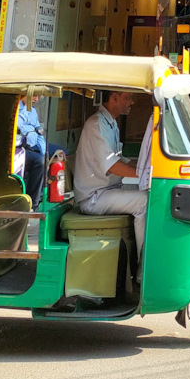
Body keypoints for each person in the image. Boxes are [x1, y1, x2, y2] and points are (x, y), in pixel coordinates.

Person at [71, 90, 148, 259]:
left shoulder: (111, 124)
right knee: (144, 201)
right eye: (128, 98)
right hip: (93, 197)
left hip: (108, 189)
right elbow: (113, 166)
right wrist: (144, 174)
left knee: (148, 191)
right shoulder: (97, 125)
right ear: (114, 98)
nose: (132, 102)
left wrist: (143, 168)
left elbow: (118, 158)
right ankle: (145, 267)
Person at [16, 99, 47, 205]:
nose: (36, 99)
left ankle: (33, 204)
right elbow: (18, 125)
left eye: (38, 96)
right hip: (14, 149)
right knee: (38, 161)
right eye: (33, 95)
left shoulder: (32, 111)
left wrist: (45, 153)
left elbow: (39, 133)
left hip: (29, 148)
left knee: (44, 160)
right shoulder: (15, 108)